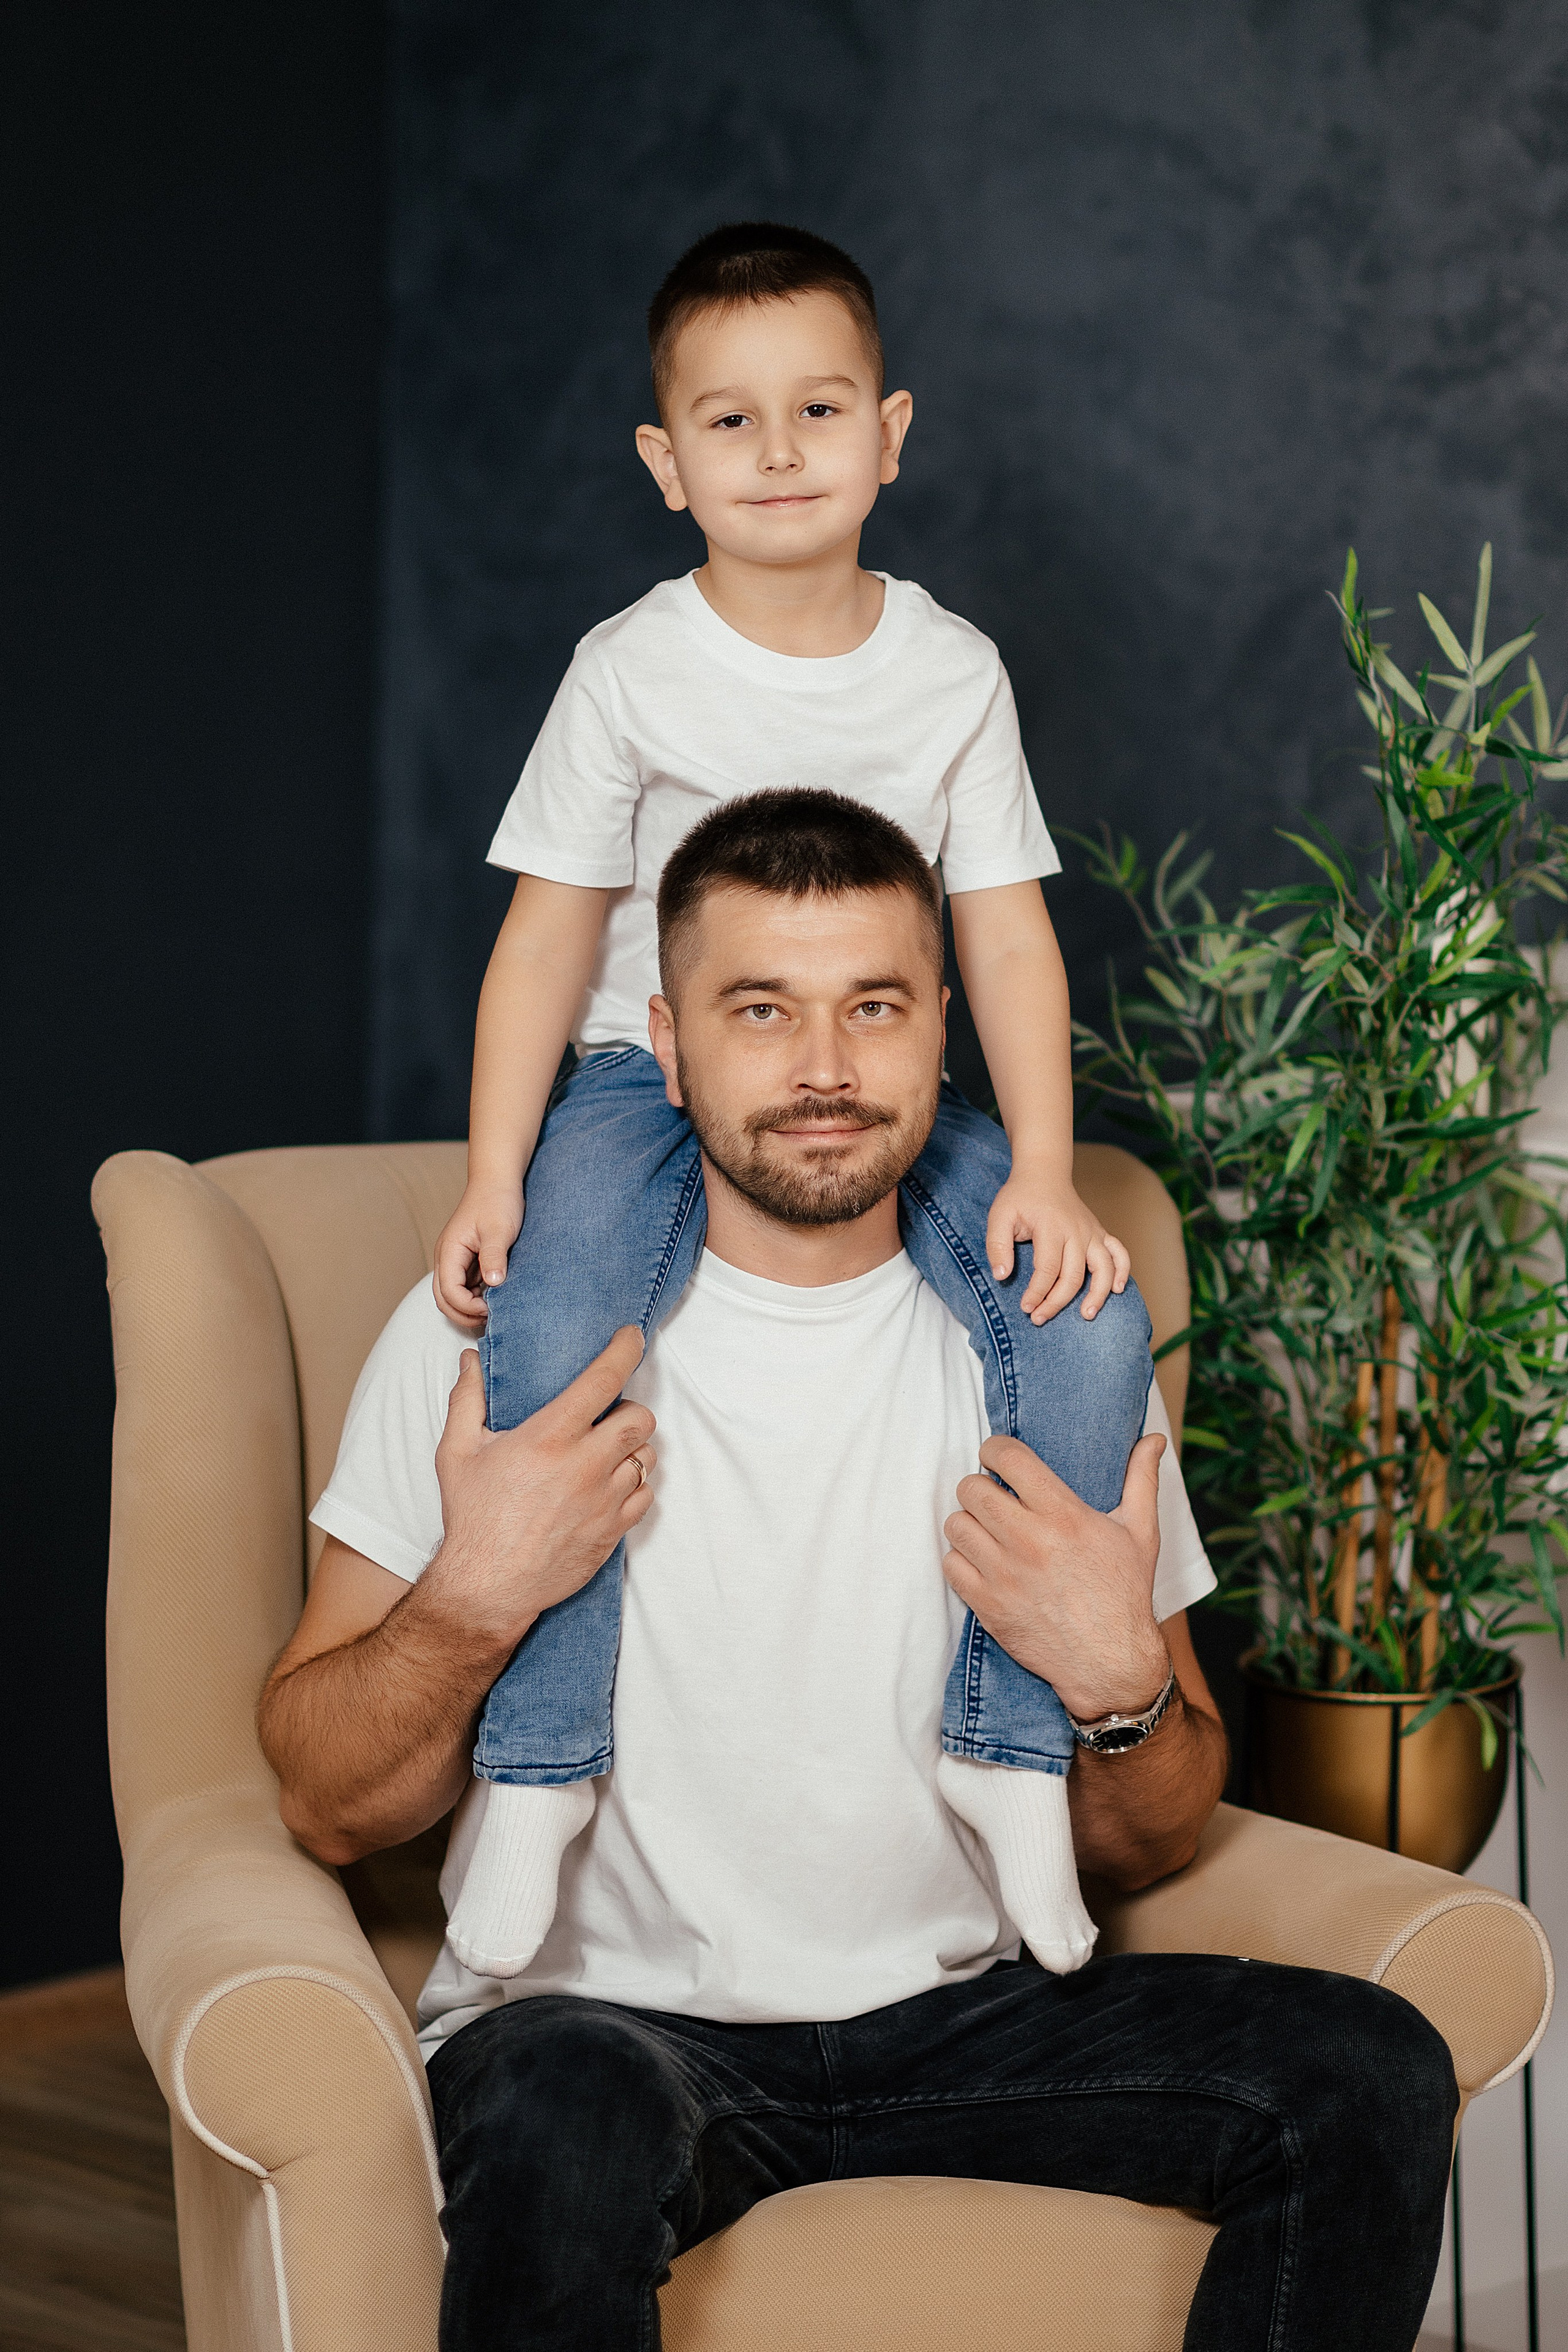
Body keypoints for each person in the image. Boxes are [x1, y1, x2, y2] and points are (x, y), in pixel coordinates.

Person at [259, 812, 1457, 2352]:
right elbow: (320, 1802)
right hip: (608, 2030)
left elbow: (1158, 1832)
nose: (822, 1065)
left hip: (969, 2016)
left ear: (946, 1032)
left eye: (872, 1006)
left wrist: (1115, 1681)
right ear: (665, 1048)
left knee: (1366, 2072)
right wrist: (480, 1590)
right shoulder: (487, 1340)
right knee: (564, 2105)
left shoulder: (1052, 1346)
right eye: (759, 1008)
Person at [425, 221, 1148, 1977]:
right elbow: (544, 940)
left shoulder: (951, 671)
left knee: (1090, 1331)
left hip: (874, 1084)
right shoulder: (631, 668)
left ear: (890, 434)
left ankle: (1008, 1752)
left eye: (816, 410)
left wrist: (1043, 1170)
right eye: (729, 423)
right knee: (557, 1320)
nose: (777, 453)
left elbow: (1009, 944)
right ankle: (541, 1764)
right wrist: (494, 1174)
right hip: (639, 1076)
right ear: (668, 466)